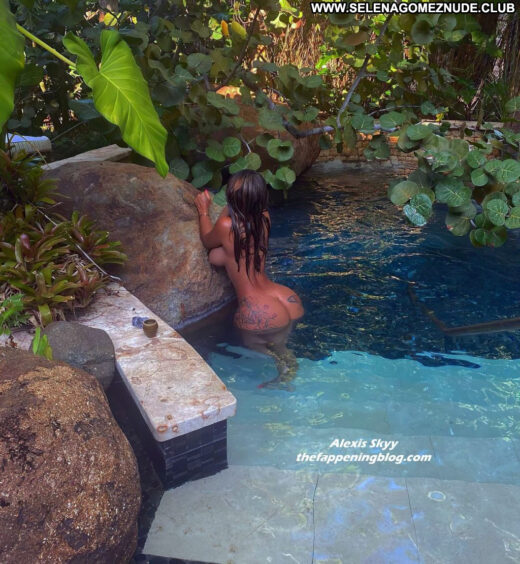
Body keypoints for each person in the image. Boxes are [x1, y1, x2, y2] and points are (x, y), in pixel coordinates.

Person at [194, 169, 304, 389]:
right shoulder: (264, 217)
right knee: (283, 347)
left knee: (272, 354)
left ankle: (284, 374)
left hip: (258, 312)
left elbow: (207, 240)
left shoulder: (226, 226)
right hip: (285, 298)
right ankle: (287, 365)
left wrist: (204, 211)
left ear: (230, 198)